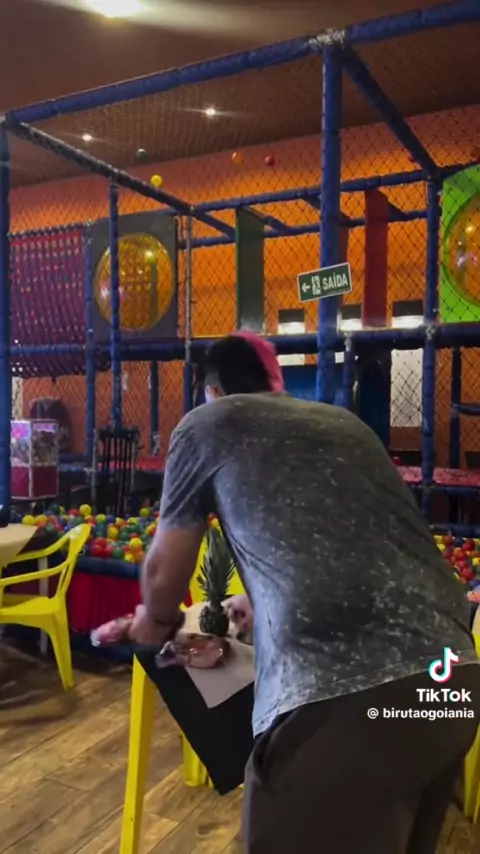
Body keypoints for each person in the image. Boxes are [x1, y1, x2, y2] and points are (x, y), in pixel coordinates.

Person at [130, 331, 479, 854]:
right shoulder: (343, 424)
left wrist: (153, 622)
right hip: (450, 686)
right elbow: (356, 545)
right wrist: (263, 601)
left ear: (213, 390)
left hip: (349, 698)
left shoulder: (208, 423)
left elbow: (163, 577)